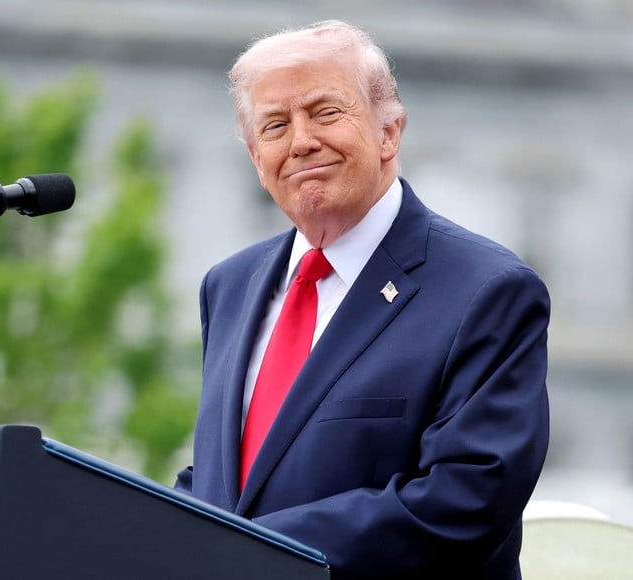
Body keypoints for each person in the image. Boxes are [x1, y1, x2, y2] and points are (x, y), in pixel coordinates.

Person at [175, 20, 550, 579]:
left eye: (325, 113)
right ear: (257, 159)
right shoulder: (229, 285)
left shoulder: (487, 290)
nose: (301, 141)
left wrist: (247, 547)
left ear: (389, 133)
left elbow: (466, 499)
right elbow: (228, 480)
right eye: (275, 125)